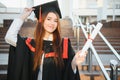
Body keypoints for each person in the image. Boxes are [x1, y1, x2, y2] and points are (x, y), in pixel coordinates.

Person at [5, 1, 87, 80]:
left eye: (55, 21)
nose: (52, 23)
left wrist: (74, 62)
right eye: (49, 19)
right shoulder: (31, 44)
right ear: (41, 20)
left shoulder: (64, 45)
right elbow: (9, 37)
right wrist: (22, 16)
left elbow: (68, 72)